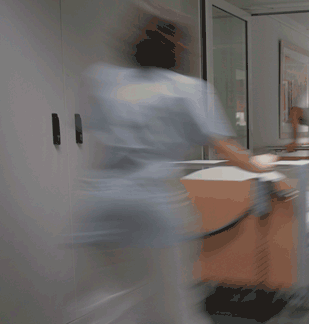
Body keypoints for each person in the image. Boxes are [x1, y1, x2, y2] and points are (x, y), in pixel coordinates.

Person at [71, 2, 273, 323]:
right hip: (151, 207)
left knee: (111, 295)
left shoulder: (101, 79)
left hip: (100, 205)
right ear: (178, 51)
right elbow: (227, 149)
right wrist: (267, 170)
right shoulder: (188, 90)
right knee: (171, 302)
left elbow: (96, 136)